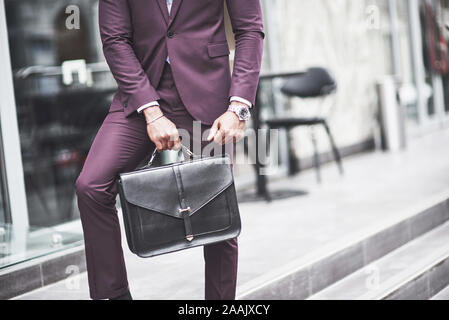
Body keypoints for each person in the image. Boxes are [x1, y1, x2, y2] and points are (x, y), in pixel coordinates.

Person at [75, 0, 264, 300]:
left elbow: (249, 29)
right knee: (92, 186)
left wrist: (238, 107)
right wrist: (150, 110)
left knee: (218, 210)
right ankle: (114, 295)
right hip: (140, 97)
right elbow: (115, 39)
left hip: (207, 93)